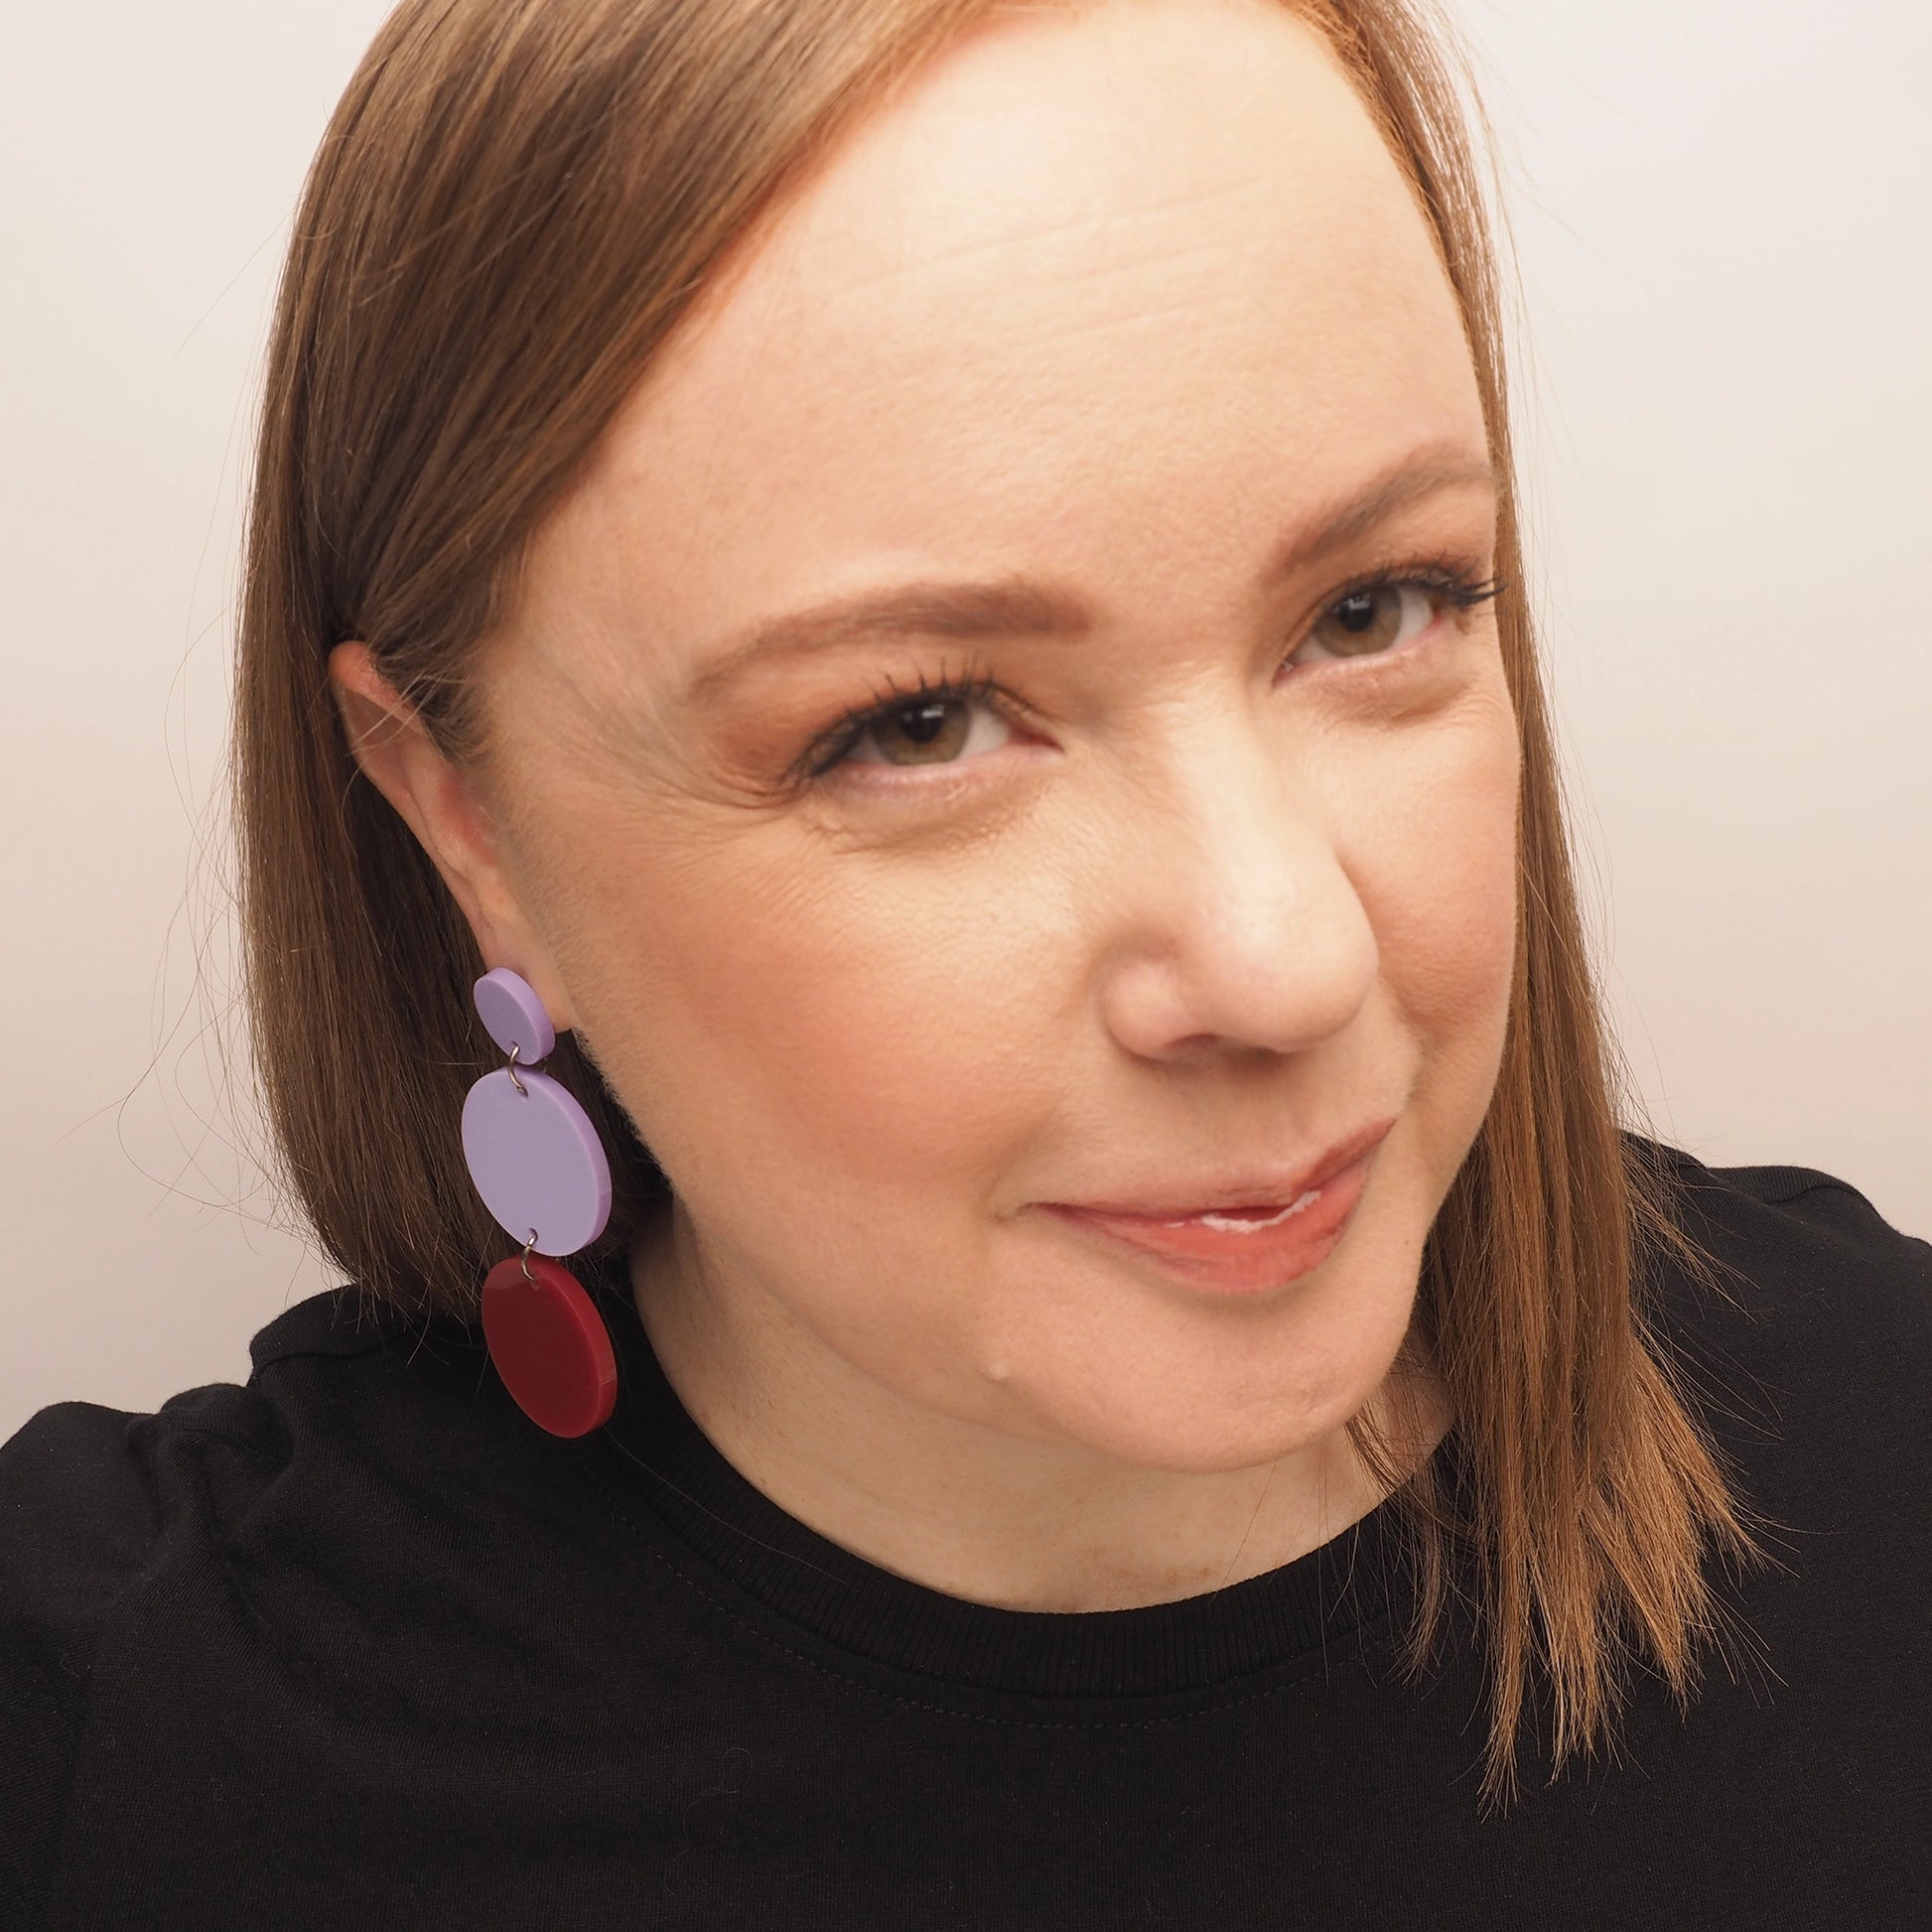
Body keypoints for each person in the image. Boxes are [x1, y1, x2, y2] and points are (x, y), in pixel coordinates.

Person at [3, 0, 1926, 1923]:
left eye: (1375, 606)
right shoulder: (112, 1750)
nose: (1284, 956)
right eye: (916, 723)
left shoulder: (1889, 1475)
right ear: (462, 823)